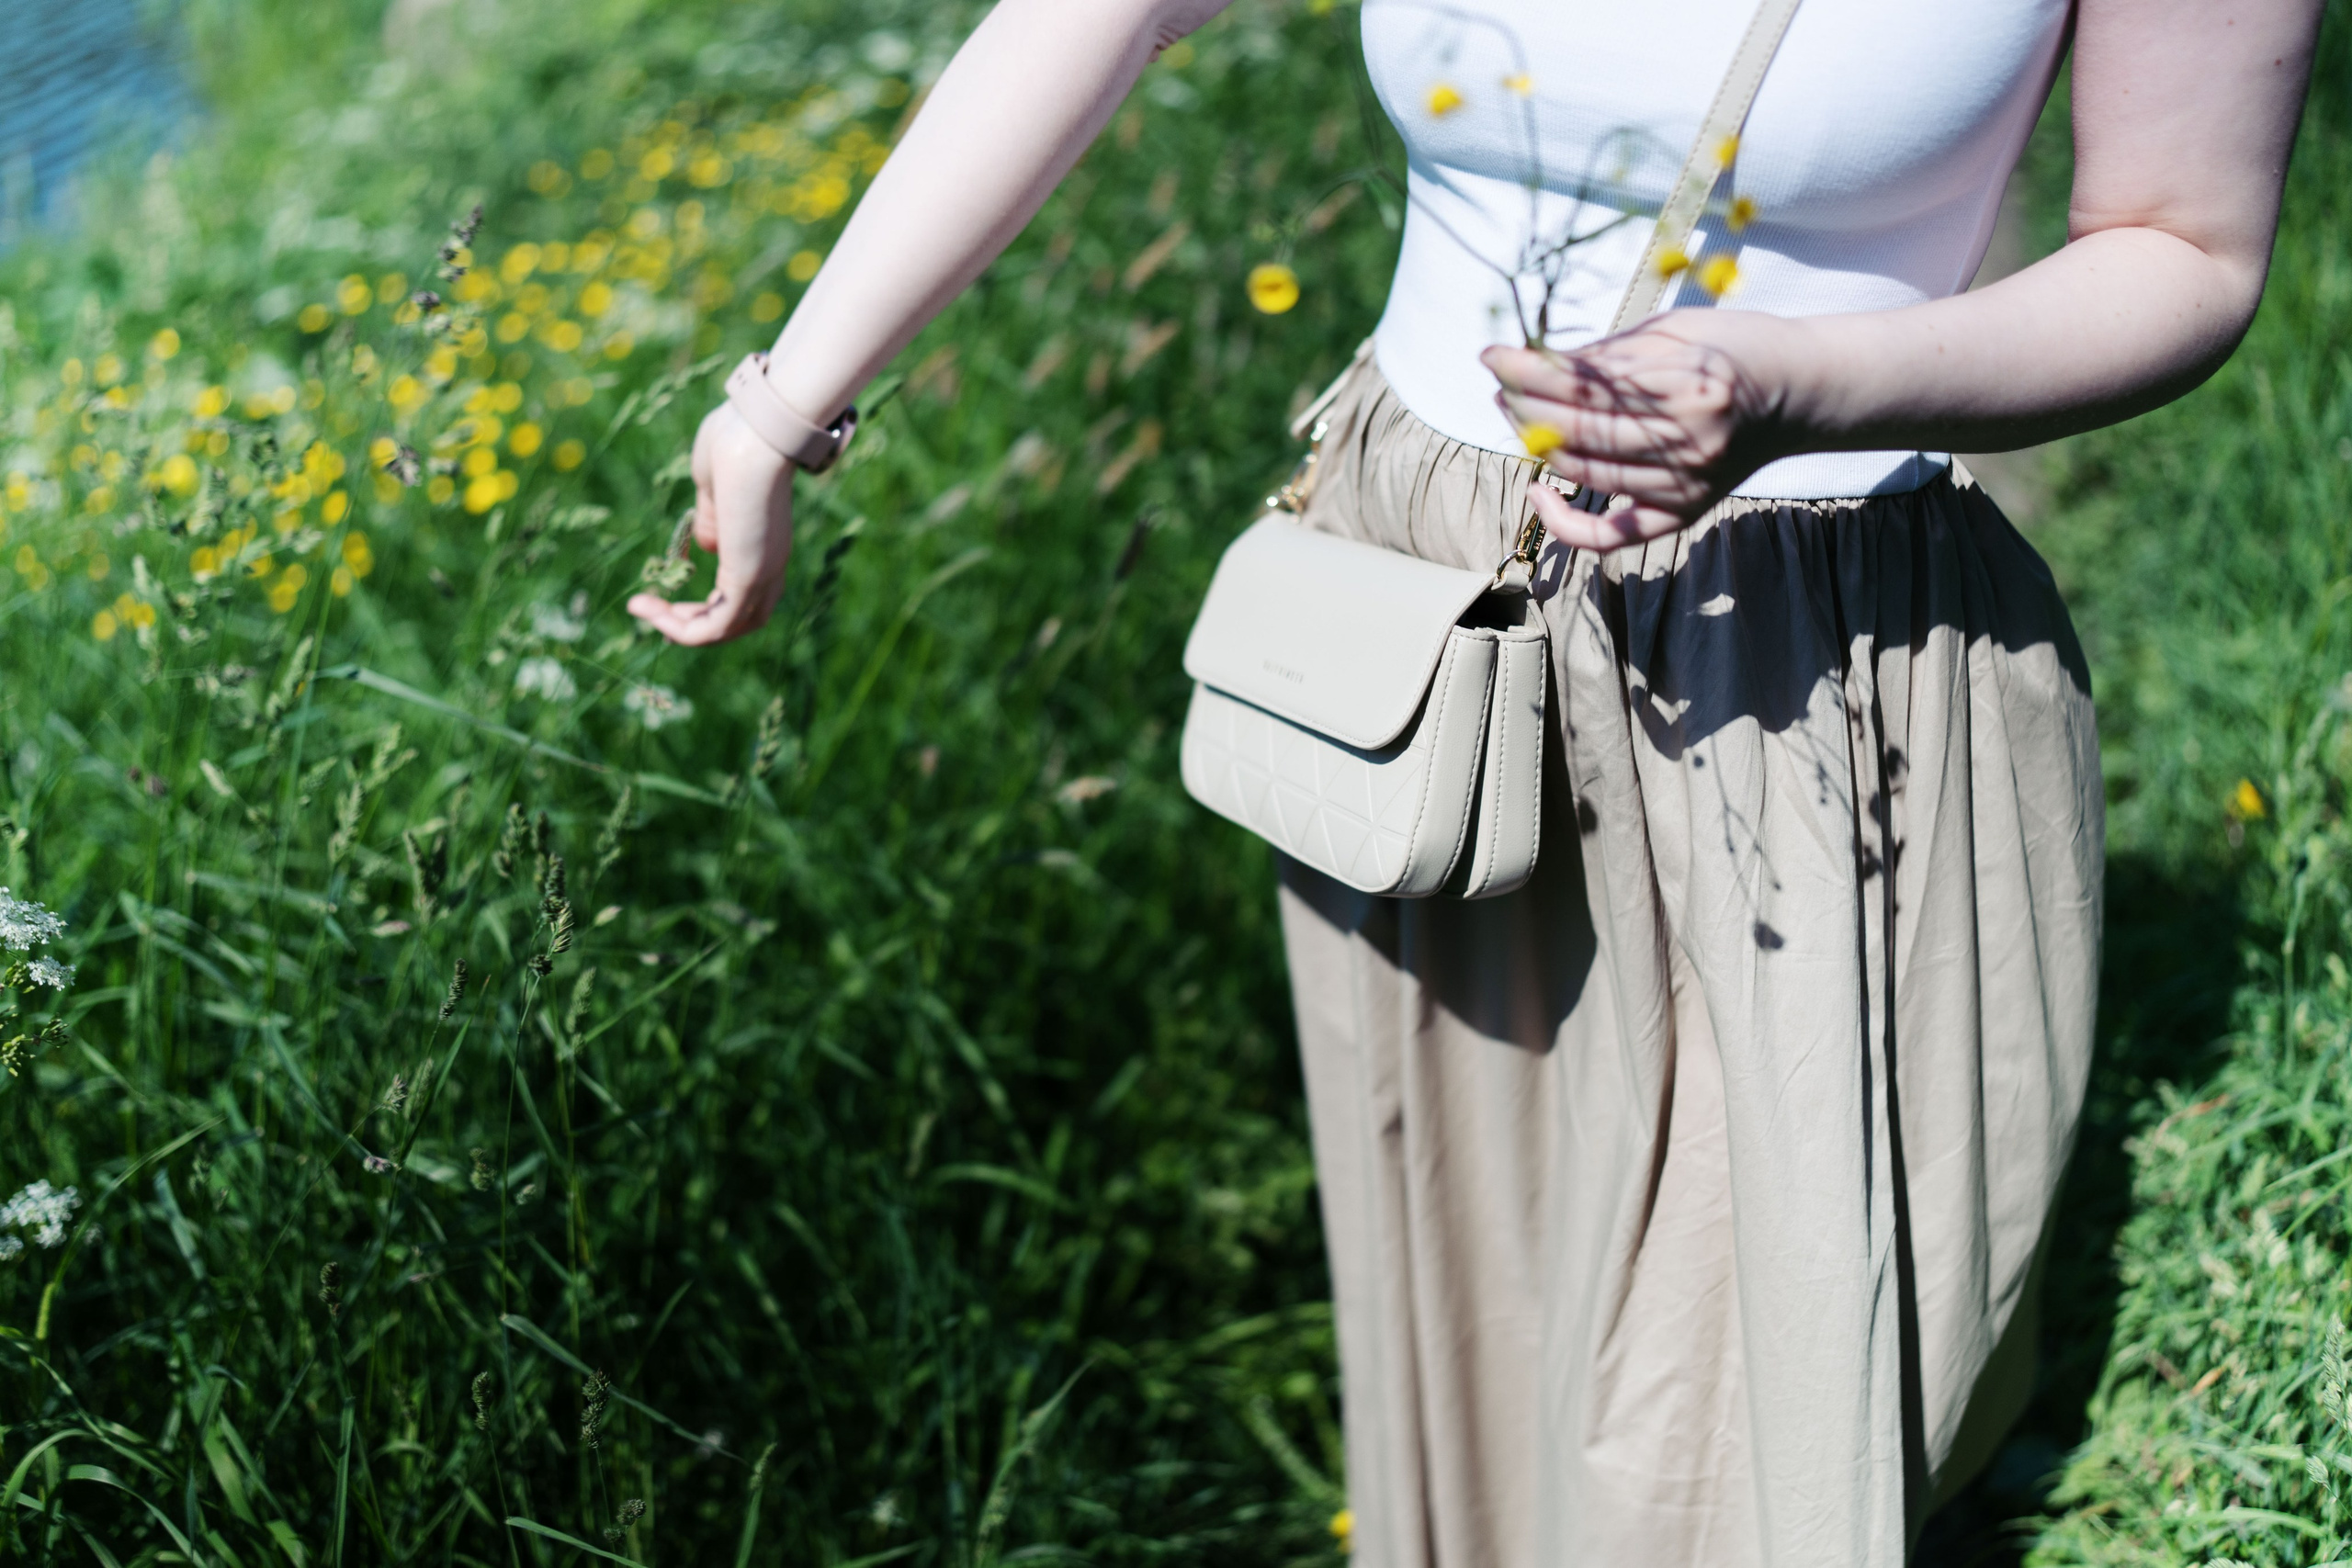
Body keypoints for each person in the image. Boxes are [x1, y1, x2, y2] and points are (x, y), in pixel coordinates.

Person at [626, 0, 2323, 1561]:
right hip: (1429, 609)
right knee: (1478, 1297)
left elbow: (2181, 249)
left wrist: (1797, 385)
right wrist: (784, 406)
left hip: (1815, 654)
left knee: (1760, 1411)